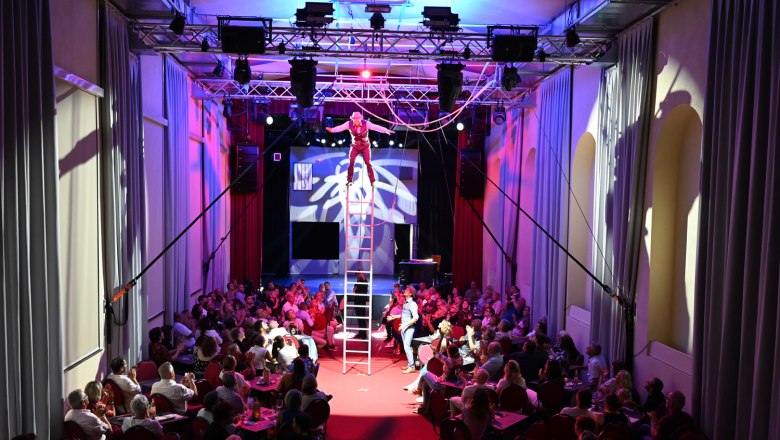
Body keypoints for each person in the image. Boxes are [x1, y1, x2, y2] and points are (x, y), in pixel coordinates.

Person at [326, 111, 395, 185]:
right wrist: (332, 130)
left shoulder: (366, 123)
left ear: (360, 119)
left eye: (357, 120)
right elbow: (340, 128)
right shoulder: (349, 124)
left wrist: (386, 130)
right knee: (351, 162)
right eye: (355, 120)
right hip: (355, 146)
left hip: (365, 147)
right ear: (352, 119)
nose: (356, 122)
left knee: (368, 163)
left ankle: (372, 181)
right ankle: (349, 180)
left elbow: (376, 127)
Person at [399, 286, 419, 374]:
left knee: (406, 346)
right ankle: (410, 363)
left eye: (407, 290)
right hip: (404, 327)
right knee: (407, 346)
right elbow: (405, 314)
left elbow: (415, 318)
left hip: (409, 328)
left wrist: (404, 325)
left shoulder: (413, 304)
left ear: (411, 293)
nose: (405, 290)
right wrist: (395, 317)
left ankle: (412, 366)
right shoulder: (405, 302)